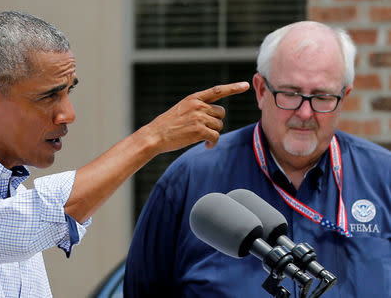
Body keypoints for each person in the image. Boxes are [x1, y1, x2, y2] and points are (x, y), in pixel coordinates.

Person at [0, 11, 249, 297]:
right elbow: (22, 224)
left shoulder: (9, 191)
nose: (68, 114)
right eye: (49, 95)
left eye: (67, 91)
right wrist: (151, 137)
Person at [124, 21, 391, 298]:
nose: (304, 112)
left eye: (322, 97)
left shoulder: (384, 179)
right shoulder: (190, 179)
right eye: (290, 93)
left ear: (344, 97)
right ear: (261, 90)